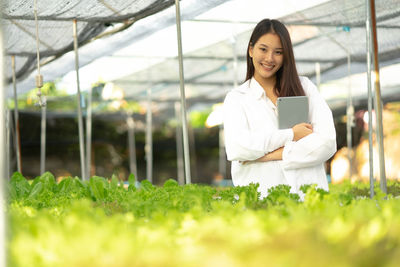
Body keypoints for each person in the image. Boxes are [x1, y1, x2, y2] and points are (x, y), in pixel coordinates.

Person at [223, 19, 337, 198]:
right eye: (263, 49)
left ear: (286, 56)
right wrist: (291, 134)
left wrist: (268, 155)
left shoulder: (304, 87)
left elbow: (327, 142)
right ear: (251, 50)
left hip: (308, 199)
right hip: (262, 203)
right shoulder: (237, 99)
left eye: (278, 52)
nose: (269, 58)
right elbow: (237, 148)